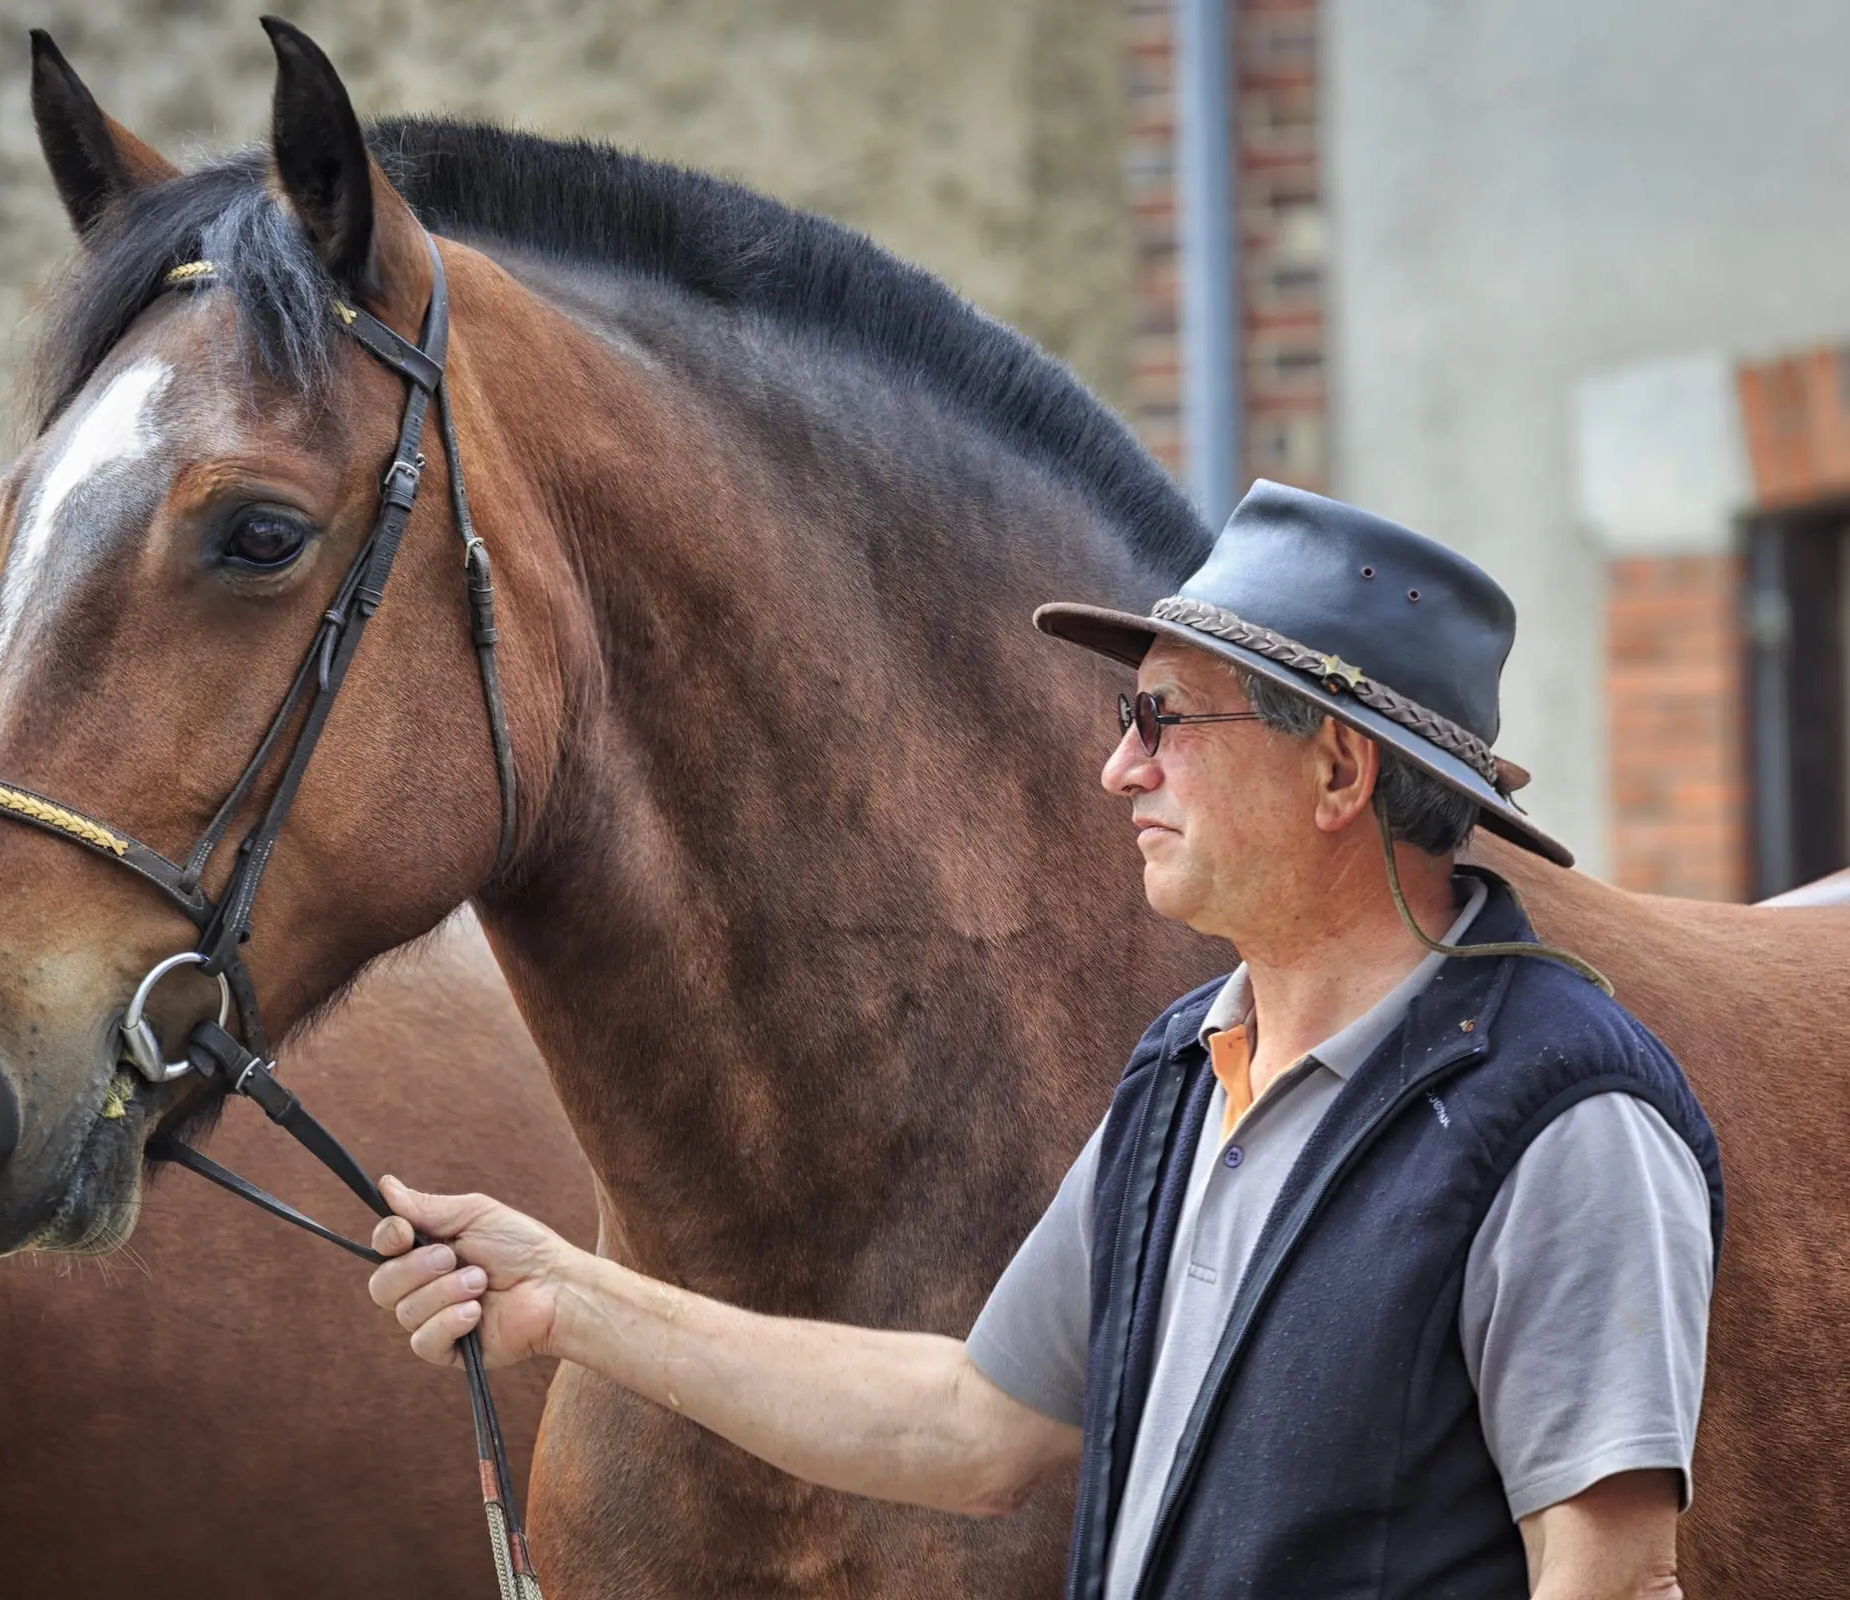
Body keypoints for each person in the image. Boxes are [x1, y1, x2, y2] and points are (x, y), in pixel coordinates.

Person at [365, 481, 1720, 1600]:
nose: (1122, 767)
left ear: (1337, 772)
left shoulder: (1565, 1113)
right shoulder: (1187, 1072)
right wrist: (573, 1299)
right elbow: (968, 1423)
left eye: (1164, 718)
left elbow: (1613, 1581)